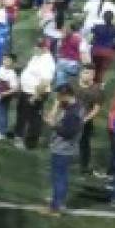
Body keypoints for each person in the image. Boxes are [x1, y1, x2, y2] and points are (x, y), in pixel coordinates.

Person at [45, 83, 84, 215]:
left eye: (59, 96)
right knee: (59, 177)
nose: (57, 98)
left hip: (64, 149)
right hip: (63, 148)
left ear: (66, 95)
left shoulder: (73, 112)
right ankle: (56, 202)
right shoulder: (73, 106)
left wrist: (53, 125)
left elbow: (68, 133)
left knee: (59, 177)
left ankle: (57, 206)